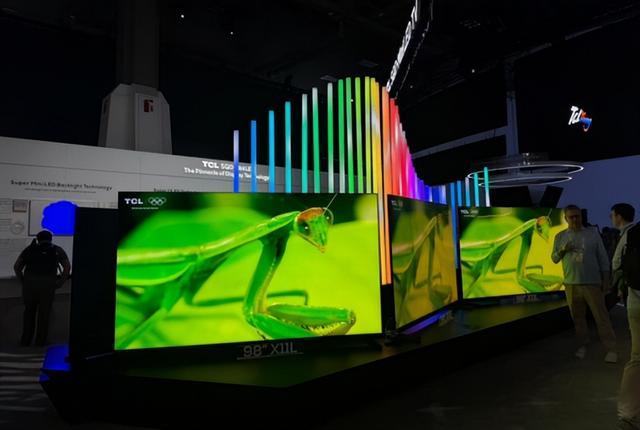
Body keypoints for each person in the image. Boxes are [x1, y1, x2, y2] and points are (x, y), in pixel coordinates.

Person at [551, 204, 617, 363]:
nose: (575, 219)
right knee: (578, 318)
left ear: (581, 216)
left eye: (577, 216)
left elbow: (603, 258)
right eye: (571, 217)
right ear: (566, 218)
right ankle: (582, 345)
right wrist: (563, 249)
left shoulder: (592, 234)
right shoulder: (560, 236)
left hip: (592, 283)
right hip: (571, 284)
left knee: (601, 317)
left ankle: (611, 348)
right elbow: (554, 259)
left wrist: (606, 280)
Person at [13, 230, 70, 346]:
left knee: (29, 312)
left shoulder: (30, 249)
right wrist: (60, 282)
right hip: (48, 285)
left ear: (38, 239)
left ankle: (26, 340)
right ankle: (40, 341)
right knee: (44, 314)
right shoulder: (57, 250)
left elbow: (17, 266)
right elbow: (67, 267)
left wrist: (22, 280)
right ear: (51, 239)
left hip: (30, 285)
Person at [613, 204, 640, 429]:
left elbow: (616, 264)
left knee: (637, 357)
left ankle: (628, 413)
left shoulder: (632, 233)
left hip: (635, 300)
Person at [611, 203, 635, 307]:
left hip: (629, 283)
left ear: (619, 217)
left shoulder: (629, 234)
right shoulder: (628, 232)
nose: (611, 219)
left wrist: (621, 285)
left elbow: (622, 262)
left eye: (612, 216)